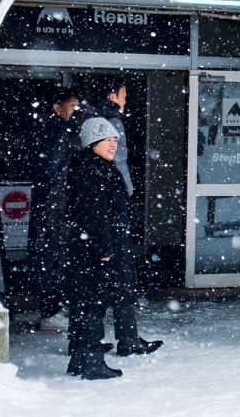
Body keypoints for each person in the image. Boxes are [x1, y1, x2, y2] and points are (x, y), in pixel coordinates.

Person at [63, 117, 162, 380]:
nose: (113, 144)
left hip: (99, 247)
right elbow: (94, 215)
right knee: (92, 304)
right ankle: (92, 363)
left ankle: (80, 360)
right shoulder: (90, 170)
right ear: (92, 142)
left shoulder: (100, 167)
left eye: (115, 140)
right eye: (107, 139)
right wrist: (104, 249)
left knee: (90, 303)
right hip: (94, 251)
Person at [28, 88, 80, 332]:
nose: (76, 111)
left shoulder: (54, 132)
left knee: (52, 257)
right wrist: (58, 203)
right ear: (57, 108)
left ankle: (52, 310)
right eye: (72, 106)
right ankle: (51, 313)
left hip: (52, 206)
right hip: (54, 208)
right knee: (53, 258)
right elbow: (52, 174)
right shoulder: (59, 135)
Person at [92, 75, 134, 197]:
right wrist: (127, 187)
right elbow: (119, 158)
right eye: (123, 97)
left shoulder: (89, 116)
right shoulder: (113, 122)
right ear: (112, 97)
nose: (125, 102)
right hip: (112, 186)